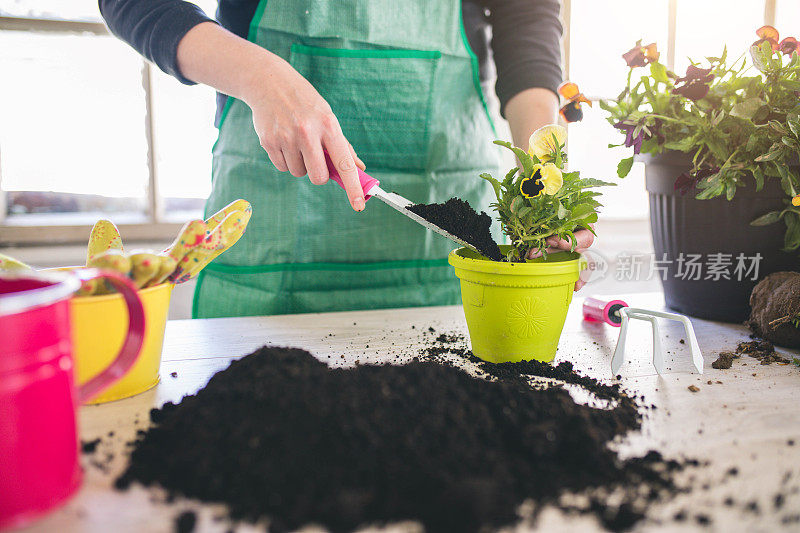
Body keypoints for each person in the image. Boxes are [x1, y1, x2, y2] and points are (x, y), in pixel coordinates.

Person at [99, 0, 594, 318]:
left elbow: (525, 16)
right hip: (272, 258)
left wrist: (543, 175)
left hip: (441, 274)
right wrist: (264, 79)